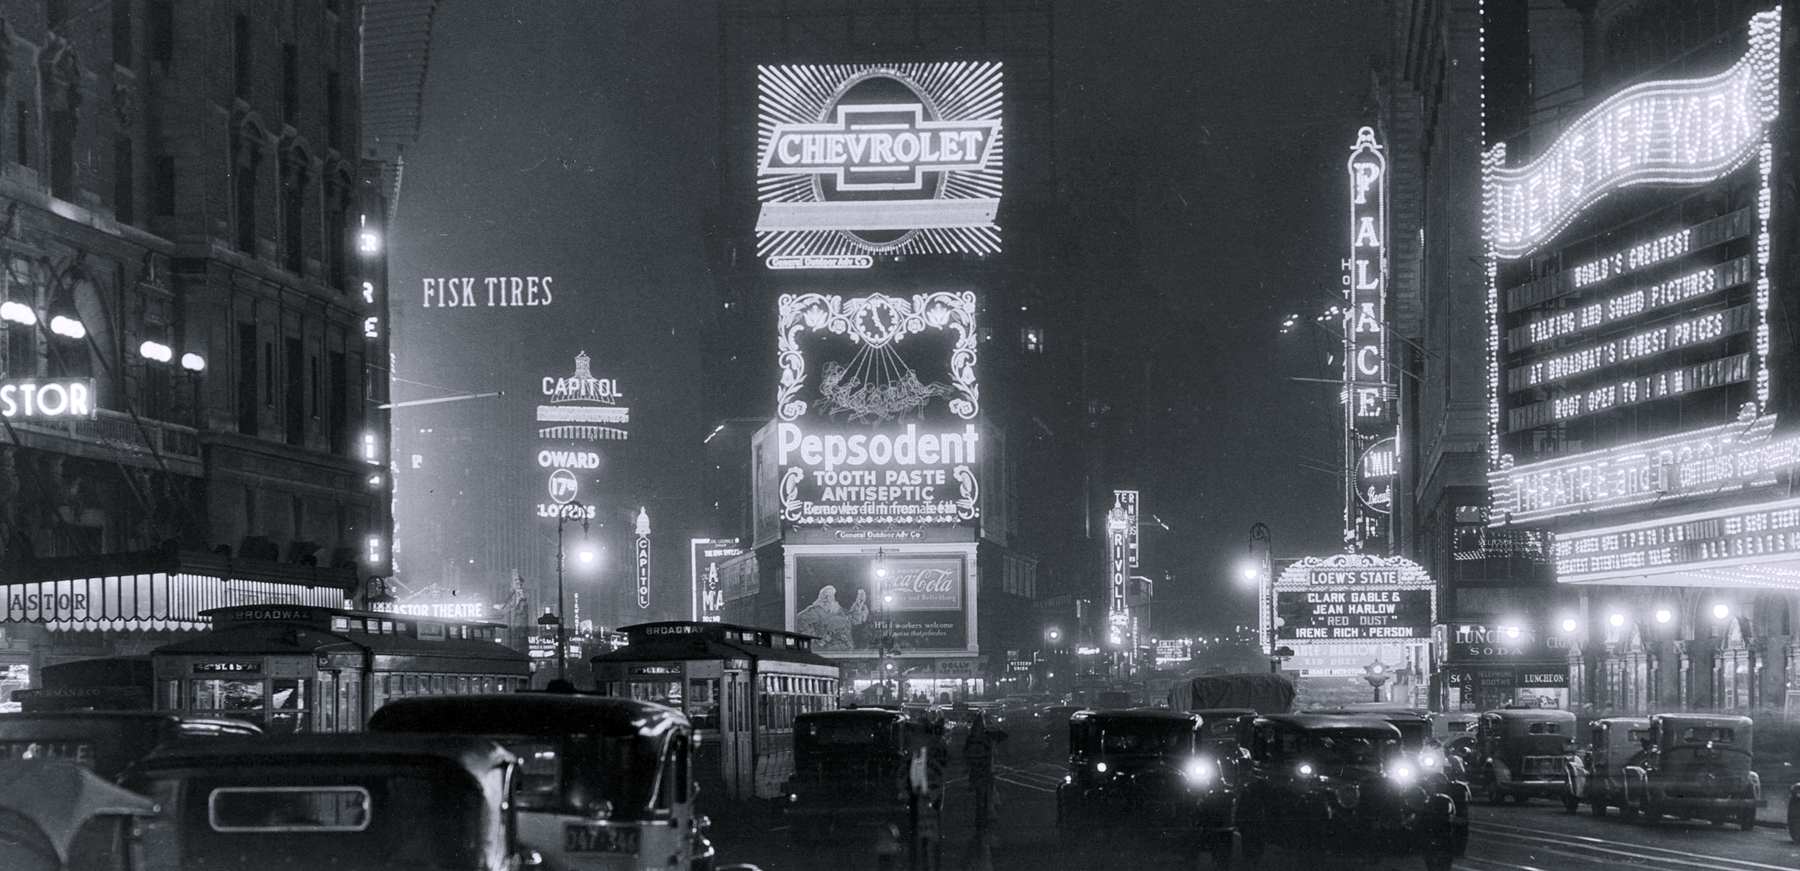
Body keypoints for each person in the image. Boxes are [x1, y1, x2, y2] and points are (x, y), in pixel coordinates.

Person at [963, 713, 996, 826]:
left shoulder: (971, 738)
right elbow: (990, 753)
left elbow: (966, 753)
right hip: (985, 769)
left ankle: (979, 818)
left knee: (978, 796)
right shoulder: (987, 738)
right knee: (986, 794)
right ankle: (985, 817)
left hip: (976, 770)